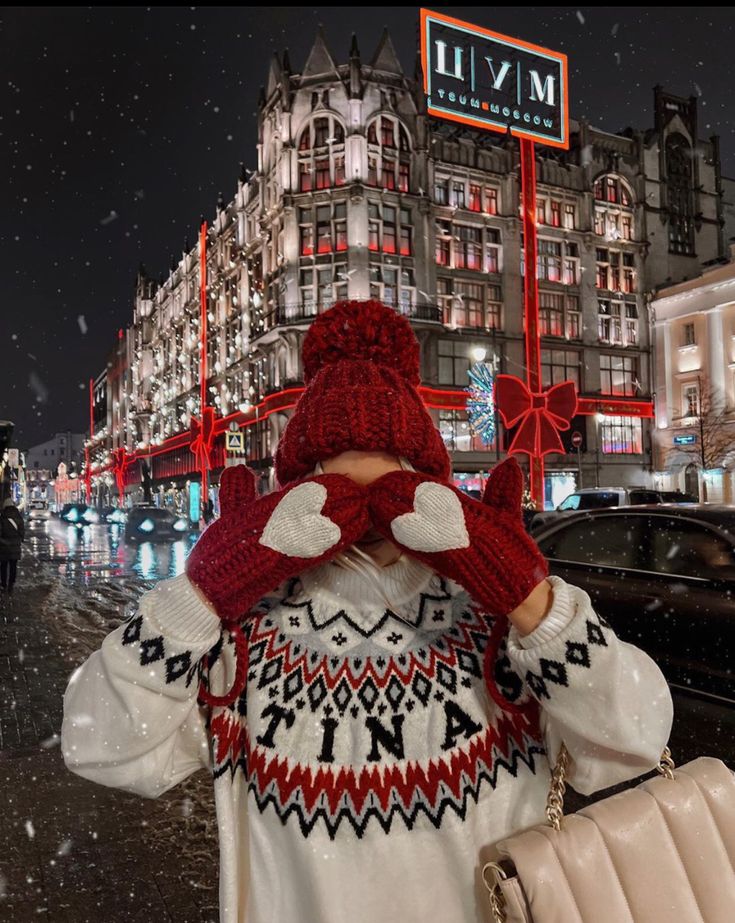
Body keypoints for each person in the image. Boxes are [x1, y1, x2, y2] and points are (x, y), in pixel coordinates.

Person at [61, 300, 673, 923]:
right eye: (339, 487)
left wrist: (529, 601)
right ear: (300, 491)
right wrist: (203, 596)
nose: (365, 515)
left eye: (389, 482)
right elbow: (101, 743)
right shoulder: (249, 629)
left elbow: (634, 739)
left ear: (424, 482)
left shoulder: (490, 614)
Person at [0, 493, 25, 594]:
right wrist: (19, 540)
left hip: (4, 546)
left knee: (4, 565)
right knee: (13, 565)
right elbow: (22, 531)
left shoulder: (2, 517)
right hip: (15, 546)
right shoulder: (19, 517)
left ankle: (3, 584)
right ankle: (11, 584)